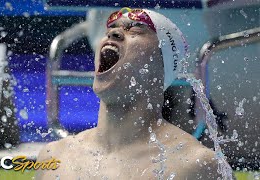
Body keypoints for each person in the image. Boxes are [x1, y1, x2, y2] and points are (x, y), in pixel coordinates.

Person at [36, 8, 222, 179]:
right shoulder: (54, 157)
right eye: (111, 28)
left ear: (162, 67)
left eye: (135, 31)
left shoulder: (196, 165)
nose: (113, 32)